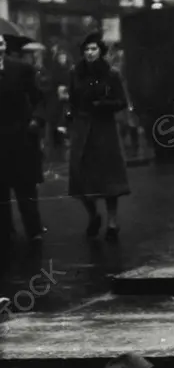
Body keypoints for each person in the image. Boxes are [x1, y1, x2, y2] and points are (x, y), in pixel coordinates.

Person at [67, 33, 131, 241]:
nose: (89, 53)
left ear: (100, 51)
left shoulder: (111, 74)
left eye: (93, 49)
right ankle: (93, 214)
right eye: (86, 49)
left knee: (109, 178)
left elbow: (121, 101)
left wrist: (103, 105)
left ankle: (112, 222)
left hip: (104, 129)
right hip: (82, 128)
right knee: (81, 174)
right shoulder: (75, 73)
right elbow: (72, 100)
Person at [0, 34, 46, 248]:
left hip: (20, 136)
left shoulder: (21, 69)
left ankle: (33, 230)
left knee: (25, 187)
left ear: (4, 47)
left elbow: (39, 98)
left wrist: (36, 120)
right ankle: (5, 231)